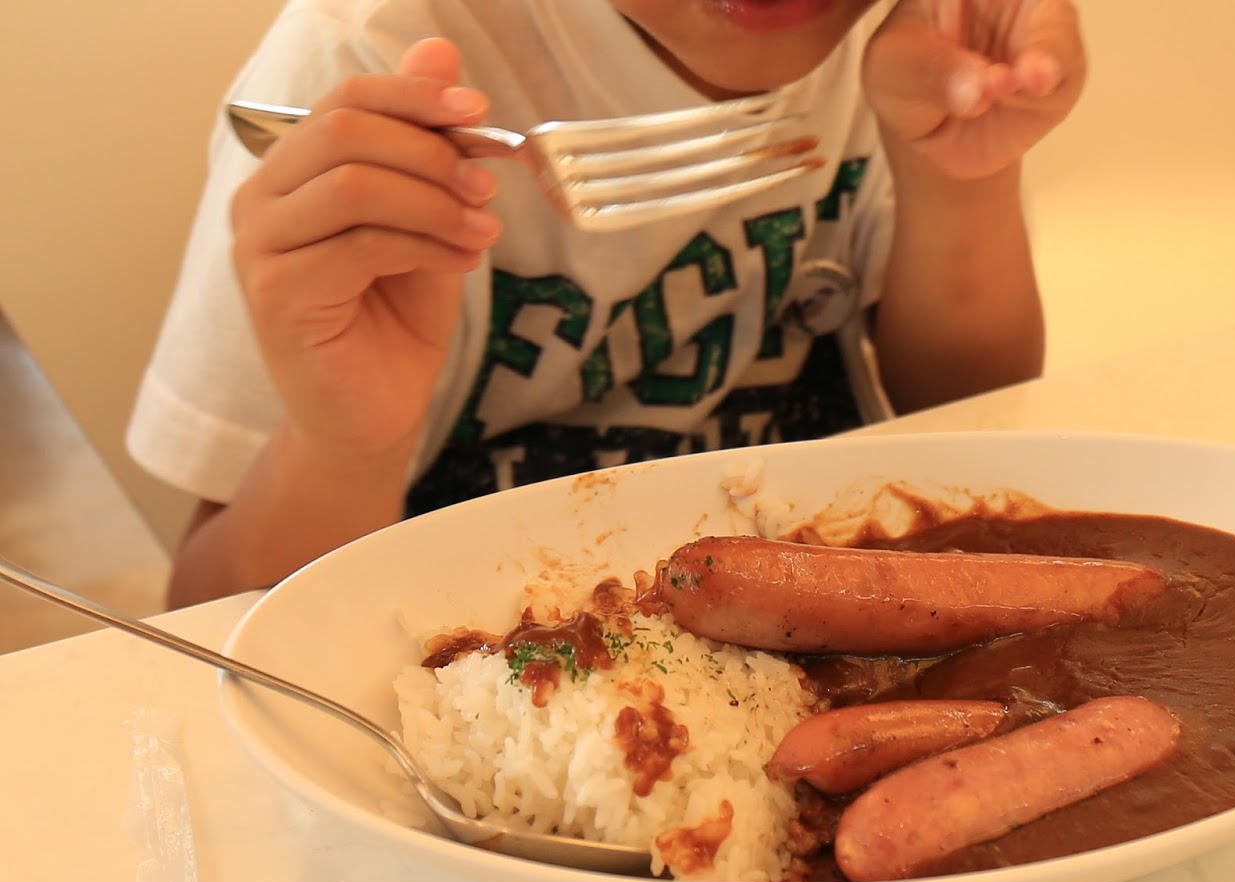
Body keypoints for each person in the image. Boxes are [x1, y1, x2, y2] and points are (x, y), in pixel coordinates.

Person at [127, 0, 1086, 608]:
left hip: (833, 602)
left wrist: (959, 179)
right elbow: (210, 607)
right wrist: (348, 446)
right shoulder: (365, 67)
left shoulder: (919, 36)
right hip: (479, 677)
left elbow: (971, 415)